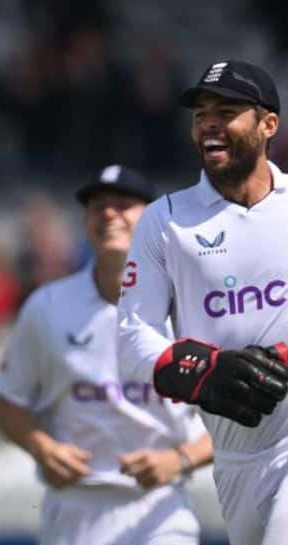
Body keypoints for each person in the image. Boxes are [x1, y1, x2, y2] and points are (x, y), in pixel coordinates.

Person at [117, 60, 288, 545]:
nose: (209, 123)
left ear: (268, 124)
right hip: (234, 459)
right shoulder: (164, 221)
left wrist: (281, 359)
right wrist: (204, 369)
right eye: (201, 114)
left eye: (227, 111)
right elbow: (132, 342)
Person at [0, 165, 212, 545]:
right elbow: (9, 405)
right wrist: (42, 448)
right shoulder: (47, 305)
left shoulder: (191, 304)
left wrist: (178, 460)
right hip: (74, 508)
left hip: (160, 509)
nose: (109, 214)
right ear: (85, 222)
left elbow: (237, 418)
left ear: (152, 220)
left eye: (123, 205)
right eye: (98, 207)